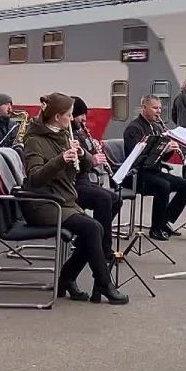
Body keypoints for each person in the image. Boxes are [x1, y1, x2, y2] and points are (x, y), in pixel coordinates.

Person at [21, 92, 128, 305]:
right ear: (57, 116)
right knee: (92, 229)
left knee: (94, 229)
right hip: (43, 203)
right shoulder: (34, 140)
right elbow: (35, 178)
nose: (72, 119)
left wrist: (82, 155)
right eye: (69, 115)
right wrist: (61, 160)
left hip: (64, 199)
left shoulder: (62, 134)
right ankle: (102, 283)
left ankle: (68, 279)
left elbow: (84, 166)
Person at [123, 95, 186, 241]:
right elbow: (135, 156)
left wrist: (169, 150)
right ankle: (155, 229)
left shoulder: (156, 127)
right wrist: (162, 148)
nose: (159, 111)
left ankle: (164, 221)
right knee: (164, 185)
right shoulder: (134, 128)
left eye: (160, 108)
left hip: (153, 171)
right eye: (155, 108)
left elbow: (159, 158)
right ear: (144, 108)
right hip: (136, 174)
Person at [71, 96, 121, 260]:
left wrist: (94, 149)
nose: (84, 119)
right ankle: (103, 249)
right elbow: (73, 165)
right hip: (73, 184)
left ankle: (87, 238)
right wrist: (92, 161)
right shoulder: (69, 135)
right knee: (104, 198)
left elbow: (86, 156)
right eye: (80, 115)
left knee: (116, 200)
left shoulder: (80, 133)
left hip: (83, 180)